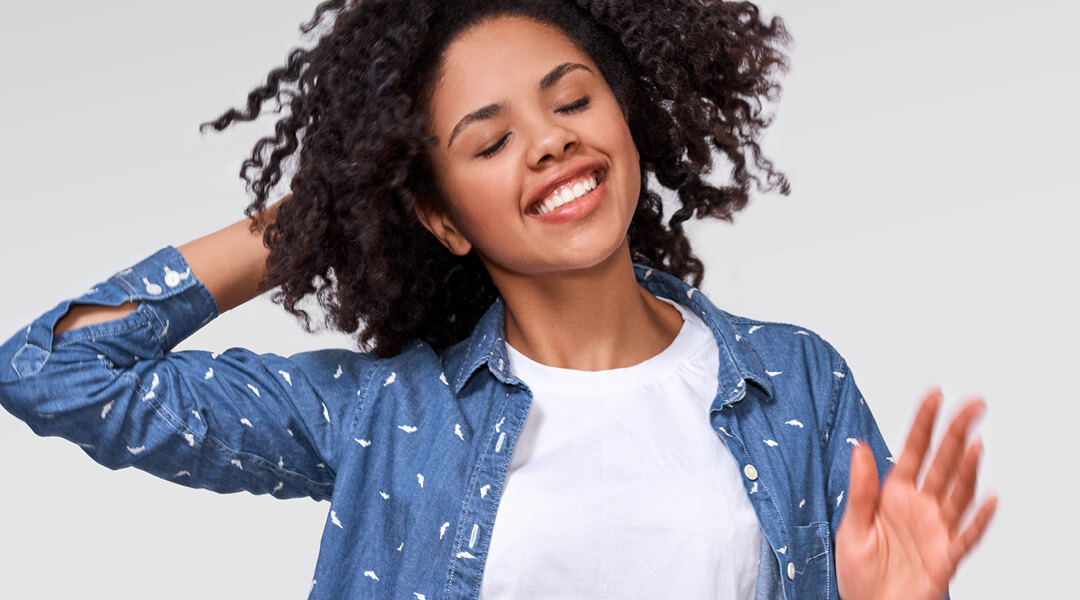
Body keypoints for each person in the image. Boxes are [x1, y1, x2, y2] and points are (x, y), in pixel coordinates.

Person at [0, 0, 995, 598]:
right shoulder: (383, 414)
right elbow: (55, 371)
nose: (551, 140)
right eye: (489, 140)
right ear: (441, 216)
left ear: (627, 113)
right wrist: (318, 216)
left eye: (571, 100)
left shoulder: (795, 381)